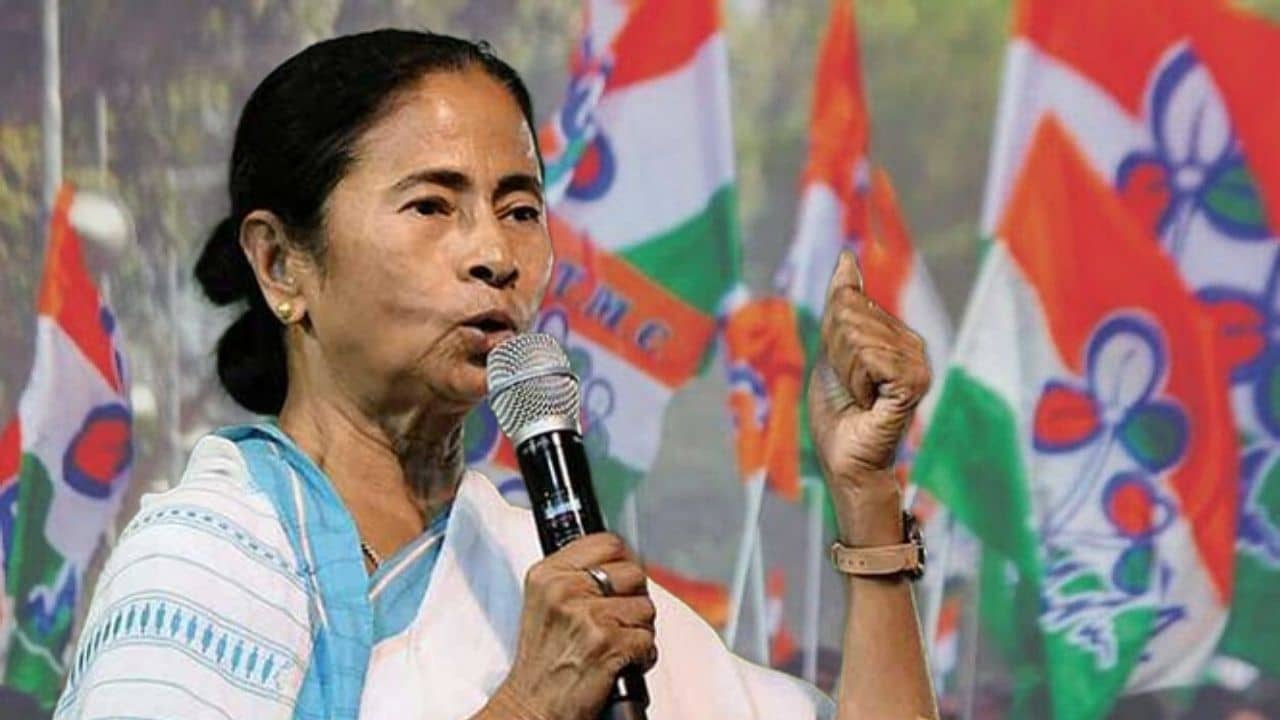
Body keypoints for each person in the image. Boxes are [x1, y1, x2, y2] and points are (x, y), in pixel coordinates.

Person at [54, 30, 937, 720]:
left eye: (520, 209)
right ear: (282, 264)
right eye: (432, 205)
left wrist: (865, 497)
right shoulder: (209, 556)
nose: (496, 255)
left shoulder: (532, 564)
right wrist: (528, 704)